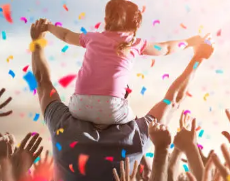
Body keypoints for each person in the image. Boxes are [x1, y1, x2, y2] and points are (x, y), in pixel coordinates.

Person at [30, 17, 214, 181]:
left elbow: (42, 80)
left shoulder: (61, 125)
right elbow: (173, 100)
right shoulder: (138, 136)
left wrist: (37, 42)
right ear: (124, 97)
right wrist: (198, 58)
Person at [40, 0, 206, 127]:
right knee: (137, 130)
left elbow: (65, 35)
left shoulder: (91, 38)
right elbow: (166, 48)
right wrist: (190, 42)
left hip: (79, 106)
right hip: (112, 109)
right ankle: (146, 167)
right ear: (136, 25)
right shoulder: (135, 43)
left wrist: (48, 26)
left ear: (106, 19)